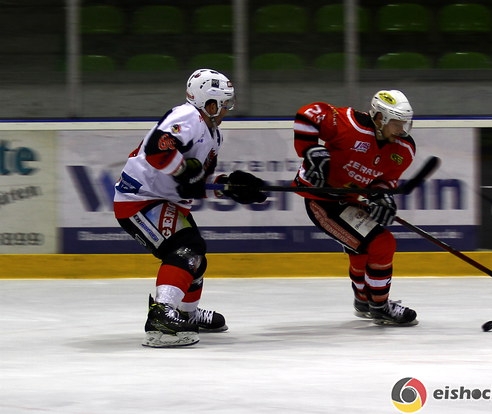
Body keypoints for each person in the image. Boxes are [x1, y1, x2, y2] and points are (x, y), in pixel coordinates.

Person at [113, 69, 267, 347]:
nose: (227, 109)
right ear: (210, 104)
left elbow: (195, 184)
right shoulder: (187, 116)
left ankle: (187, 314)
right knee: (187, 250)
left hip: (163, 200)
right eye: (225, 103)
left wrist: (230, 186)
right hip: (140, 199)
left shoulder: (214, 135)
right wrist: (185, 171)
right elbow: (157, 149)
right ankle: (161, 316)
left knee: (196, 259)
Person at [292, 90, 418, 326]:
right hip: (321, 199)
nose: (402, 129)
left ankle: (363, 300)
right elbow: (308, 114)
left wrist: (383, 196)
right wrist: (310, 150)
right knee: (381, 243)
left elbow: (385, 180)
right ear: (379, 118)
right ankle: (380, 306)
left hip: (350, 199)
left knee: (362, 249)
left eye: (405, 123)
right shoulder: (348, 124)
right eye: (397, 122)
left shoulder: (404, 149)